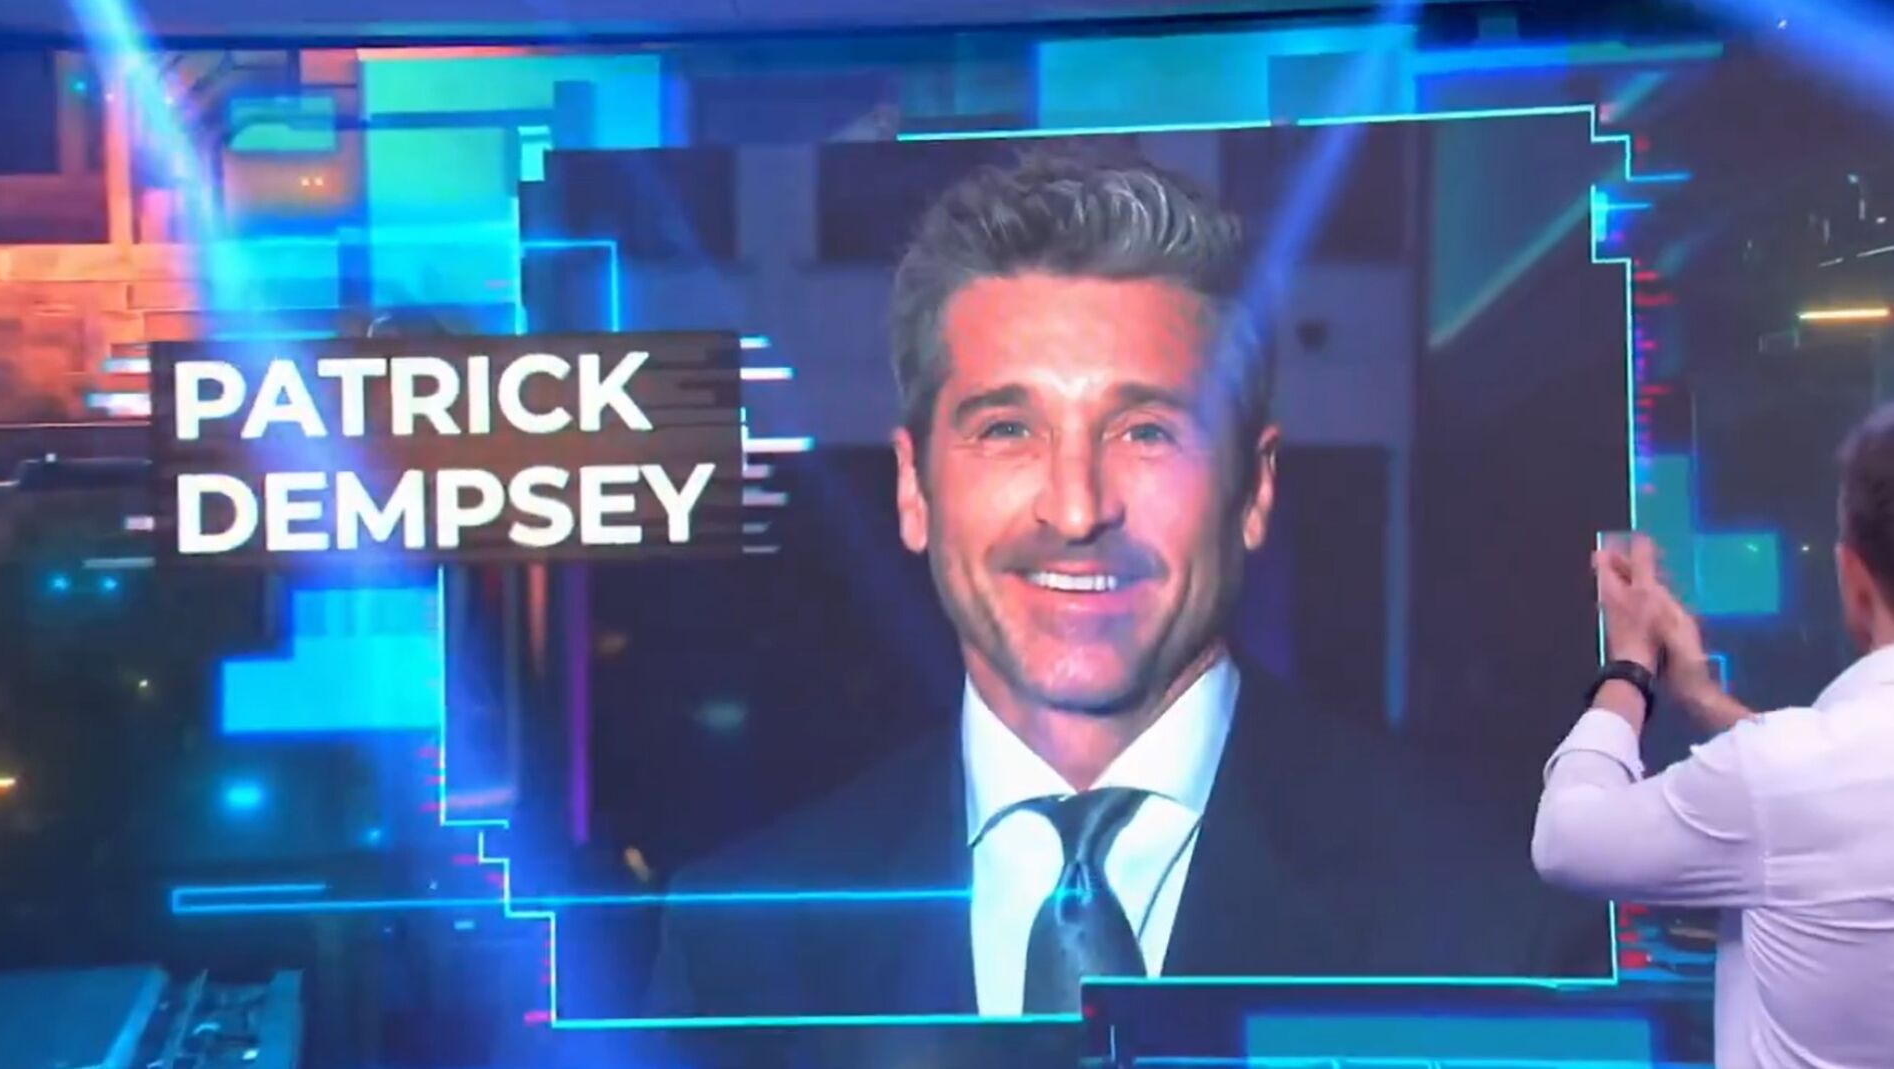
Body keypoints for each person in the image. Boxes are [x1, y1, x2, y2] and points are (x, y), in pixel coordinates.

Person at [646, 148, 1606, 1021]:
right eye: (1007, 429)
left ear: (1252, 488)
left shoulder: (1489, 914)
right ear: (913, 488)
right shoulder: (737, 942)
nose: (1076, 507)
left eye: (1147, 431)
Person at [1534, 409, 1894, 1068]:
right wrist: (1703, 698)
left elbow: (1569, 838)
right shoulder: (1798, 775)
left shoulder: (1787, 778)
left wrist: (1630, 666)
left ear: (1854, 578)